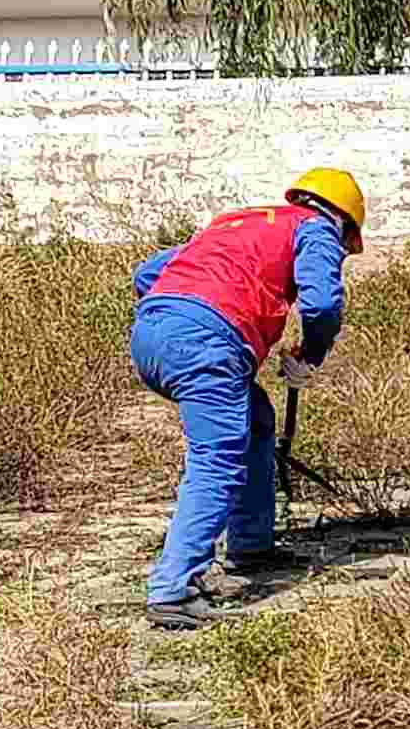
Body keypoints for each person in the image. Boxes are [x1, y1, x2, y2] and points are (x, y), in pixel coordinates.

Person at [130, 167, 362, 633]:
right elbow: (320, 305)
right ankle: (173, 588)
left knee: (256, 419)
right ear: (343, 222)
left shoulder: (237, 222)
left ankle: (252, 543)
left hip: (150, 333)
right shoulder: (317, 230)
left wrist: (179, 314)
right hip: (206, 343)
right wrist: (311, 353)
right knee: (216, 459)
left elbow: (148, 272)